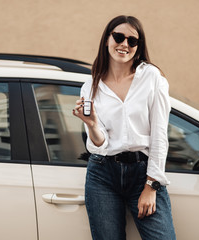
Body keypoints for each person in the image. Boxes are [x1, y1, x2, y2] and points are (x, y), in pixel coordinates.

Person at [72, 15, 176, 240]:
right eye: (119, 37)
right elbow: (99, 144)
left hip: (143, 173)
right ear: (107, 39)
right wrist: (91, 125)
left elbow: (159, 134)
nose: (124, 44)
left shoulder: (151, 78)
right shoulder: (90, 86)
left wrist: (151, 185)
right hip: (102, 174)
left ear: (138, 47)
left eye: (132, 40)